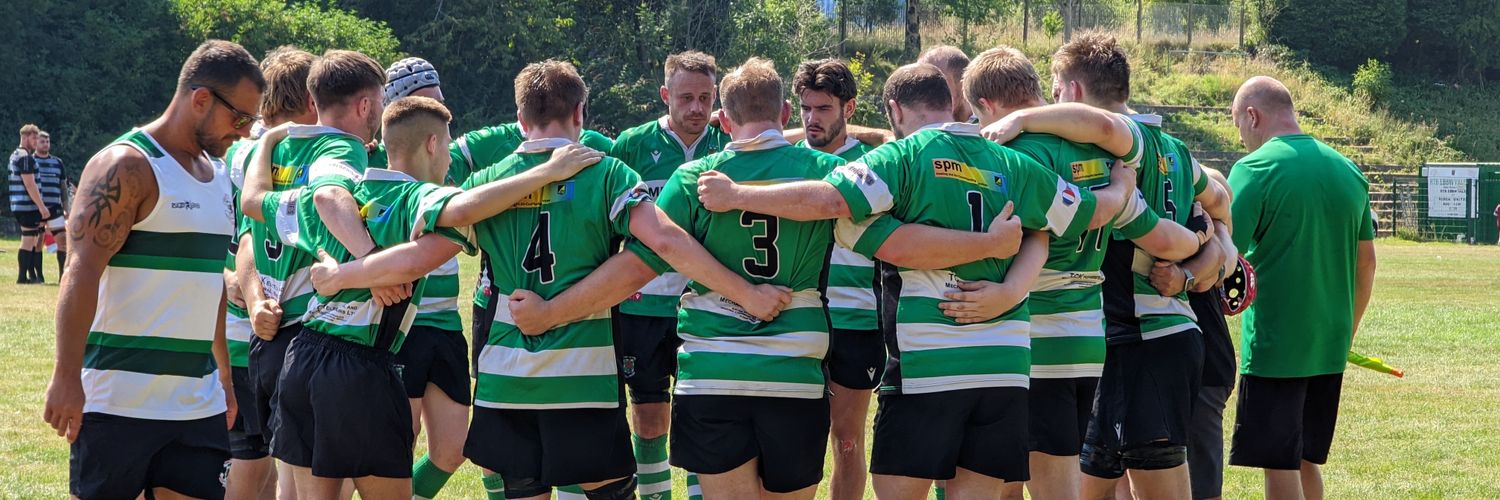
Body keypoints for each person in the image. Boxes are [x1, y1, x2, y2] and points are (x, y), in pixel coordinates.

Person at [694, 62, 1140, 499]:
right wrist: (1121, 190)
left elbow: (832, 200)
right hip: (1003, 367)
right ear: (954, 103)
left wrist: (736, 195)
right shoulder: (1013, 163)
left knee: (894, 489)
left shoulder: (903, 156)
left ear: (895, 110)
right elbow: (1085, 213)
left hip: (929, 362)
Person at [963, 46, 1207, 500]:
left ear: (986, 107)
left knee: (1037, 483)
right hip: (1090, 334)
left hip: (1041, 331)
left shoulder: (1015, 152)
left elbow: (1032, 233)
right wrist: (1204, 246)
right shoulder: (1103, 148)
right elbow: (1179, 208)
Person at [42, 39, 263, 499]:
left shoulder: (219, 177)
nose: (244, 132)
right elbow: (79, 273)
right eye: (239, 118)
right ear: (200, 99)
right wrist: (66, 376)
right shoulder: (126, 166)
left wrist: (223, 375)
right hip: (117, 404)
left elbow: (208, 284)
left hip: (196, 406)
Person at [1046, 34, 1234, 500]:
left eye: (1054, 92)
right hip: (1146, 338)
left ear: (1072, 92)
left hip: (1142, 338)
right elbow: (1221, 197)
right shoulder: (1174, 148)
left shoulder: (1115, 148)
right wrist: (1218, 244)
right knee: (1099, 479)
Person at [238, 48, 409, 498]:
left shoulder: (269, 150)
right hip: (312, 336)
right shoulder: (341, 147)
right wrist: (374, 265)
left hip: (269, 343)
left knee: (290, 483)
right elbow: (329, 198)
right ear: (367, 104)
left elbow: (250, 219)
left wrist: (254, 299)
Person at [1226, 76, 1377, 500]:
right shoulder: (1348, 169)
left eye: (1239, 126)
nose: (1242, 140)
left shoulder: (1254, 169)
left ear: (1252, 115)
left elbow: (1223, 256)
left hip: (1277, 345)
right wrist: (1346, 331)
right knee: (1306, 457)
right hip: (1329, 342)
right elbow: (1367, 264)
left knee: (1279, 463)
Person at [608, 49, 731, 500]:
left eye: (704, 97)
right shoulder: (632, 145)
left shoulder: (727, 143)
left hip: (709, 306)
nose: (696, 108)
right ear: (665, 95)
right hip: (643, 305)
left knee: (705, 417)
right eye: (685, 98)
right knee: (651, 418)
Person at [220, 44, 320, 500]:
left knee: (266, 464)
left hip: (246, 324)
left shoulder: (240, 152)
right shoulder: (309, 153)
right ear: (311, 99)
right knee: (271, 464)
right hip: (278, 327)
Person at [375, 56, 474, 500]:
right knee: (397, 448)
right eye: (425, 102)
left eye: (439, 101)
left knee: (452, 452)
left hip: (446, 324)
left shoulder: (444, 166)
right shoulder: (380, 179)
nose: (439, 111)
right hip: (402, 328)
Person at [787, 57, 879, 500]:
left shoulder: (877, 161)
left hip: (855, 320)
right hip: (794, 317)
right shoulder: (788, 162)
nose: (811, 118)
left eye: (823, 109)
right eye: (805, 108)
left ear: (850, 108)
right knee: (793, 441)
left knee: (846, 439)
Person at [8, 124, 43, 283]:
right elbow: (30, 184)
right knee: (28, 240)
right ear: (25, 137)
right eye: (34, 138)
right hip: (26, 205)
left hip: (20, 204)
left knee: (32, 239)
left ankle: (28, 277)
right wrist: (42, 206)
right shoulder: (25, 157)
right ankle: (22, 278)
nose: (37, 141)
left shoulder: (16, 154)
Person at [32, 131, 69, 276]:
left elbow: (63, 188)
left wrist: (67, 209)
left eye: (47, 141)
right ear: (35, 143)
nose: (46, 144)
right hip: (37, 208)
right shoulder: (30, 161)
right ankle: (38, 276)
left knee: (62, 240)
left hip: (55, 207)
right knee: (38, 241)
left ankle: (62, 276)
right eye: (42, 141)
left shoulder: (58, 162)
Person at [919, 45, 974, 123]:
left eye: (934, 84)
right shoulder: (921, 130)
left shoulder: (987, 129)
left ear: (963, 85)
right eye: (920, 84)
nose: (923, 92)